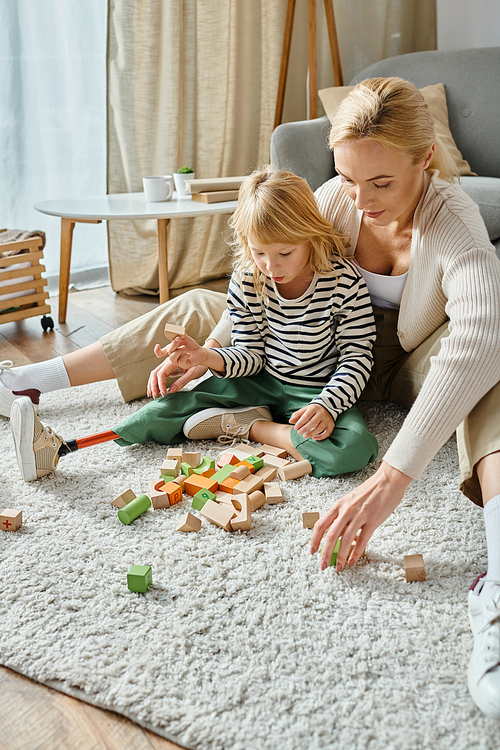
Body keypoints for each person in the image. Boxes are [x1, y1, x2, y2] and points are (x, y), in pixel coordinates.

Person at [3, 76, 500, 720]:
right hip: (304, 348)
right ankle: (28, 381)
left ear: (425, 160)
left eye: (381, 183)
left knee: (493, 370)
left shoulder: (454, 220)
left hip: (406, 360)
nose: (360, 199)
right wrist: (207, 358)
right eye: (349, 179)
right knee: (191, 308)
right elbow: (255, 288)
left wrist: (394, 476)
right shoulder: (334, 202)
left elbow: (480, 335)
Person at [10, 167, 378, 482]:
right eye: (259, 252)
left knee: (355, 449)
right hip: (260, 381)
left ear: (310, 235)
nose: (271, 266)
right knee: (163, 411)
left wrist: (329, 406)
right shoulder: (249, 278)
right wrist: (206, 357)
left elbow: (357, 357)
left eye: (284, 253)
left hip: (316, 390)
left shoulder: (343, 280)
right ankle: (59, 449)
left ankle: (251, 426)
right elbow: (251, 355)